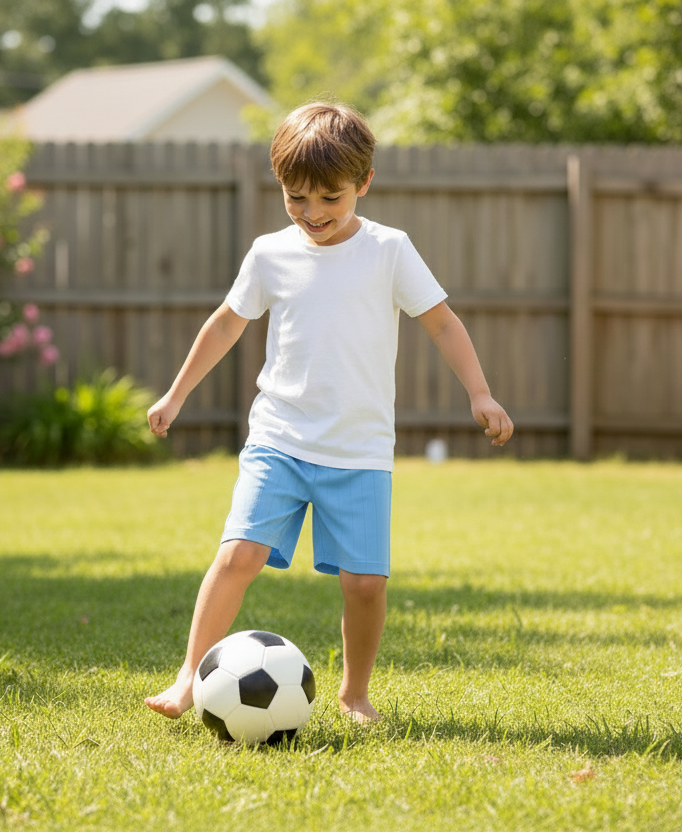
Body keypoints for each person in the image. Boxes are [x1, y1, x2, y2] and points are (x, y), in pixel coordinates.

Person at [144, 102, 513, 723]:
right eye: (296, 197)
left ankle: (355, 693)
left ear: (364, 184)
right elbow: (227, 322)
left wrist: (480, 392)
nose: (312, 213)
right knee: (238, 555)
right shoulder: (270, 254)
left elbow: (442, 322)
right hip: (280, 438)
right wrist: (176, 393)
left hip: (359, 450)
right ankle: (188, 677)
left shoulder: (390, 250)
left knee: (365, 584)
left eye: (329, 198)